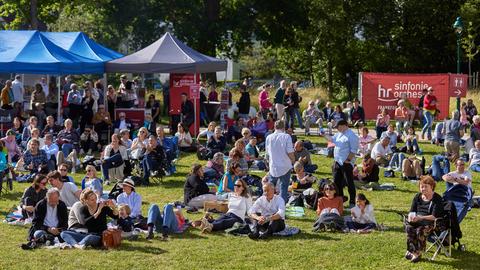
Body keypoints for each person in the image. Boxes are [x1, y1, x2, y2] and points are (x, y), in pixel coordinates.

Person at [404, 176, 444, 263]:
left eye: (426, 186)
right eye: (422, 186)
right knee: (409, 228)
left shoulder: (437, 198)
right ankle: (412, 250)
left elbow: (434, 216)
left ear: (432, 187)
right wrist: (411, 217)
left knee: (419, 230)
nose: (423, 189)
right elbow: (412, 211)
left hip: (432, 223)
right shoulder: (417, 196)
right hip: (418, 220)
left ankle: (417, 253)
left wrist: (420, 217)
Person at [323, 120, 358, 207]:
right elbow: (331, 139)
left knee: (349, 183)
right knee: (336, 182)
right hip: (337, 162)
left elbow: (354, 150)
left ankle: (352, 201)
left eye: (338, 127)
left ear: (344, 125)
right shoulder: (339, 134)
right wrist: (324, 134)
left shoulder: (352, 136)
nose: (337, 129)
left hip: (346, 163)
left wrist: (348, 160)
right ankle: (340, 200)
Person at [265, 120, 295, 204]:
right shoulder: (287, 137)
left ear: (274, 127)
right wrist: (293, 161)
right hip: (285, 166)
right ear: (284, 128)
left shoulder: (268, 137)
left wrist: (267, 163)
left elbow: (267, 154)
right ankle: (281, 208)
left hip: (273, 165)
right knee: (284, 187)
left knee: (270, 187)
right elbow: (290, 152)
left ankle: (267, 203)